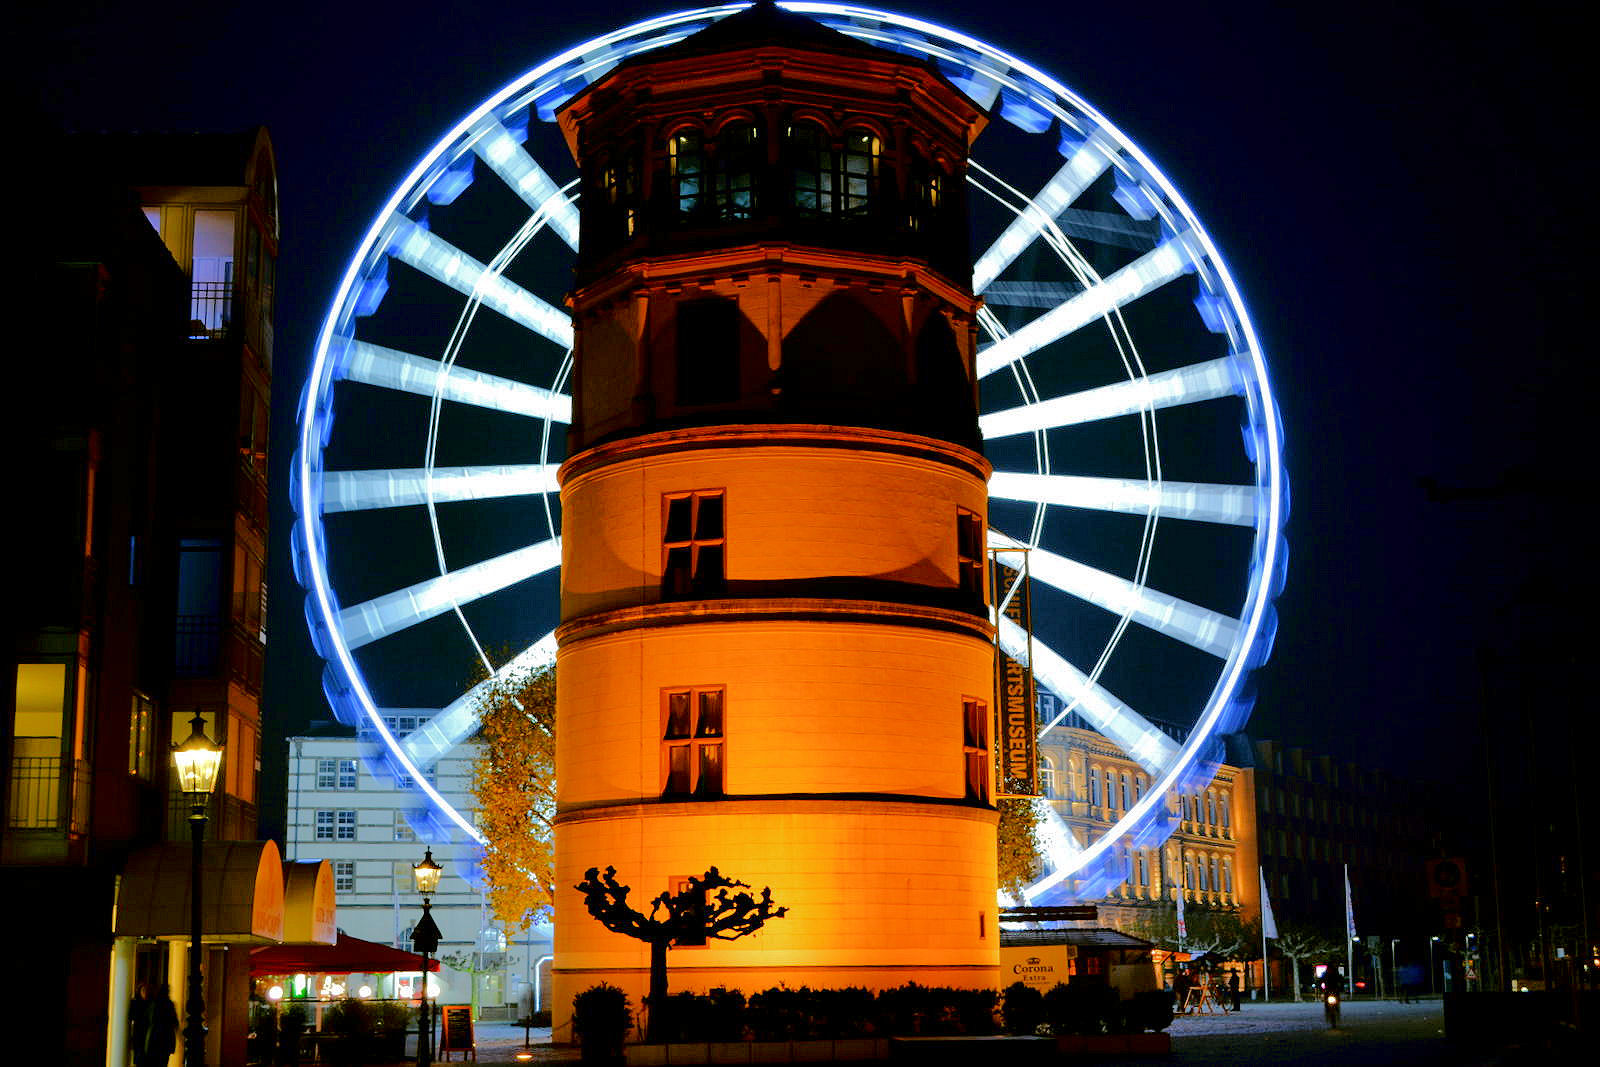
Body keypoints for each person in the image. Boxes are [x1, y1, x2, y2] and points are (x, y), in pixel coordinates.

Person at [141, 983, 180, 1067]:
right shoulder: (169, 1005)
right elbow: (174, 1022)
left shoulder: (154, 1004)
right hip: (166, 1040)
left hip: (154, 1039)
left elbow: (147, 1020)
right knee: (163, 1062)